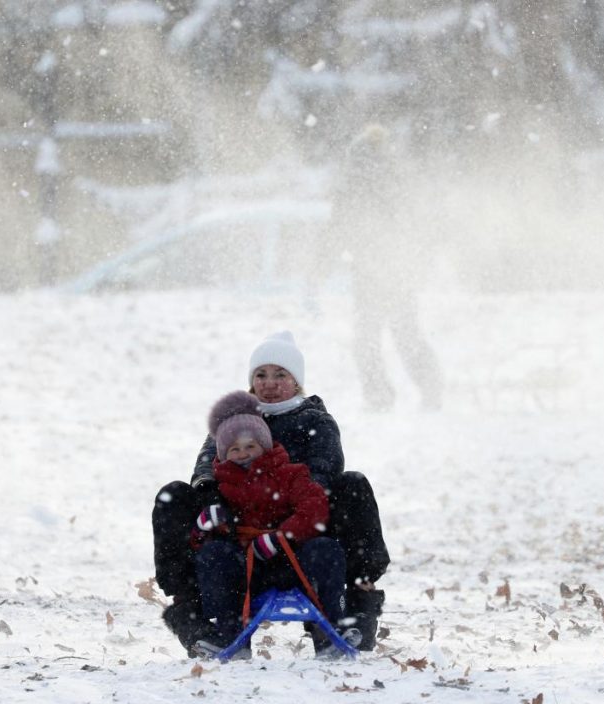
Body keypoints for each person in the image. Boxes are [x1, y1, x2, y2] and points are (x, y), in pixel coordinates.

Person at [153, 331, 389, 656]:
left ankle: (356, 605)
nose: (270, 383)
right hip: (240, 540)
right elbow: (207, 462)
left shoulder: (315, 420)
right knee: (175, 496)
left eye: (281, 374)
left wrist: (279, 502)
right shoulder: (233, 421)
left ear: (297, 382)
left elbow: (325, 470)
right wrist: (212, 498)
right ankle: (193, 612)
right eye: (261, 375)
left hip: (305, 538)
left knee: (353, 485)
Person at [188, 391, 358, 659]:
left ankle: (332, 628)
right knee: (213, 557)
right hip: (247, 567)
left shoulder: (290, 474)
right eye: (234, 449)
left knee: (326, 550)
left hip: (293, 560)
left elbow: (314, 507)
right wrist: (203, 529)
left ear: (265, 445)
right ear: (223, 453)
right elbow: (204, 539)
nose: (243, 454)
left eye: (250, 446)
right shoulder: (220, 486)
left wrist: (284, 536)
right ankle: (228, 633)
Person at [329, 123, 443, 411]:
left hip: (370, 271)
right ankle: (431, 388)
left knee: (367, 338)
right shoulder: (398, 176)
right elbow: (417, 223)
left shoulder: (354, 181)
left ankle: (379, 396)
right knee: (406, 333)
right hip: (398, 270)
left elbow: (339, 226)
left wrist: (327, 260)